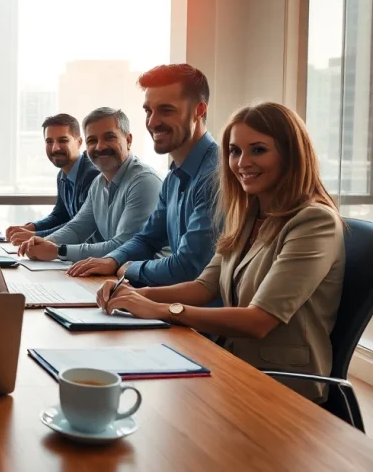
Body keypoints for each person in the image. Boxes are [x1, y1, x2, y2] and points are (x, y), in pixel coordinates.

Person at [98, 102, 343, 402]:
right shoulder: (247, 215)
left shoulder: (314, 221)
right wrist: (132, 296)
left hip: (281, 386)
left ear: (290, 154)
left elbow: (258, 321)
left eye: (258, 150)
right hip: (229, 364)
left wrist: (163, 310)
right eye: (234, 151)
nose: (242, 163)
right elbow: (204, 287)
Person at [68, 64, 219, 286]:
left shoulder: (215, 174)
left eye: (166, 110)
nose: (152, 122)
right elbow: (148, 239)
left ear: (199, 110)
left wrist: (128, 268)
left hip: (200, 315)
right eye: (148, 111)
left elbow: (189, 266)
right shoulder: (174, 176)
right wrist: (112, 260)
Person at [18, 108, 162, 263]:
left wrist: (58, 251)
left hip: (148, 281)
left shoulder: (143, 181)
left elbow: (124, 247)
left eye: (109, 137)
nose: (100, 147)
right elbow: (77, 228)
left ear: (128, 140)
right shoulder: (99, 182)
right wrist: (44, 242)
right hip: (116, 275)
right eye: (92, 140)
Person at [6, 114, 99, 244]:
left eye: (63, 140)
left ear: (79, 142)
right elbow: (59, 216)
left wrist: (36, 235)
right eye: (49, 141)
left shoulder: (92, 175)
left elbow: (80, 225)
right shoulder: (62, 175)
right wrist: (30, 227)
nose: (55, 148)